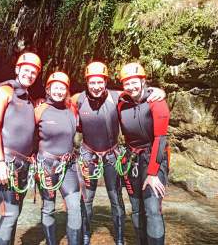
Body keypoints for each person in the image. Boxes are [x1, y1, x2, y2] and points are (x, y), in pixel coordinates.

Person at [71, 62, 165, 245]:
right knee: (87, 199)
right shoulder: (78, 99)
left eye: (100, 82)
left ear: (106, 81)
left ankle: (120, 239)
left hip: (112, 155)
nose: (96, 87)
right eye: (92, 83)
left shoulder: (117, 97)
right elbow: (58, 103)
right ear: (86, 83)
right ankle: (85, 236)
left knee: (116, 199)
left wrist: (158, 91)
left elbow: (139, 92)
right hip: (88, 155)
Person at [0, 52, 41, 245]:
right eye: (26, 70)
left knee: (15, 213)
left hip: (23, 164)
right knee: (9, 213)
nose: (29, 74)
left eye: (34, 72)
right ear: (17, 69)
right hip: (7, 162)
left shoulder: (27, 99)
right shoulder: (4, 92)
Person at [117, 62, 170, 245]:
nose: (131, 87)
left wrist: (153, 173)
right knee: (137, 209)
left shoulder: (157, 102)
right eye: (126, 83)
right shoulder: (121, 103)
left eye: (134, 82)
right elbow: (94, 94)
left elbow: (160, 139)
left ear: (143, 81)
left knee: (152, 209)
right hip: (132, 160)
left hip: (153, 158)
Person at [35, 72, 82, 245]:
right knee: (48, 208)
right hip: (46, 165)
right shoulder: (40, 110)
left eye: (63, 88)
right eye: (55, 87)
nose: (59, 91)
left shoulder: (71, 109)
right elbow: (28, 136)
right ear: (48, 89)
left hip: (68, 165)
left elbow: (87, 97)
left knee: (75, 207)